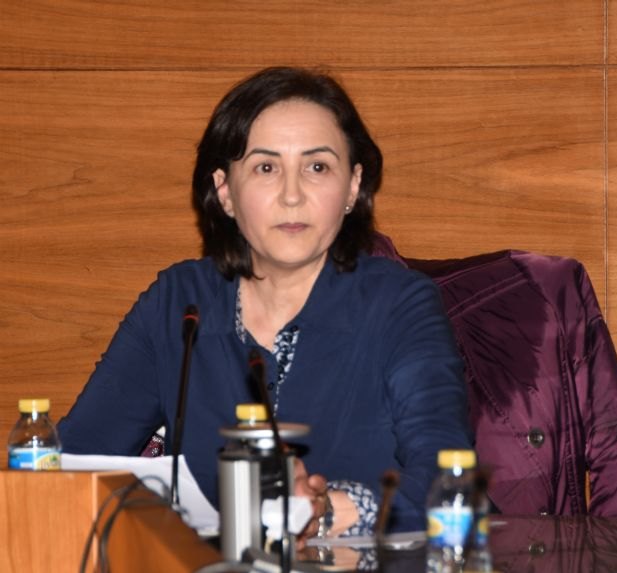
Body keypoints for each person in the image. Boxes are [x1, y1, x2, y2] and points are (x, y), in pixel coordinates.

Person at [57, 67, 471, 541]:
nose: (292, 196)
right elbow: (72, 465)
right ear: (225, 191)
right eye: (266, 168)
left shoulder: (400, 304)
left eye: (317, 167)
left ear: (353, 187)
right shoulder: (178, 306)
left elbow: (449, 482)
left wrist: (327, 511)